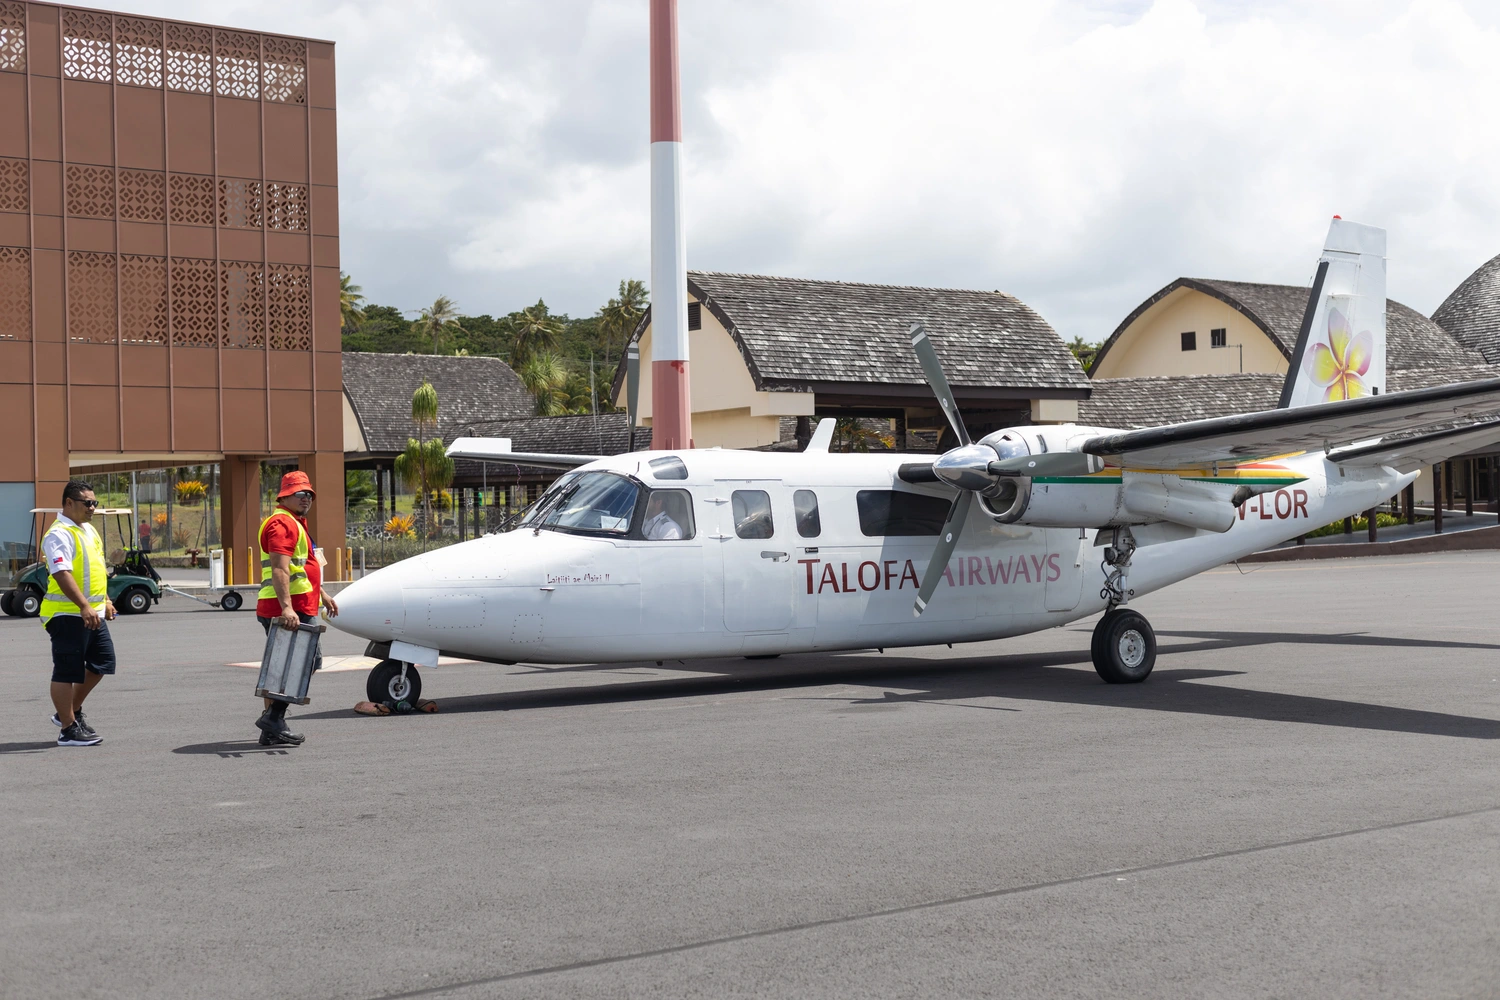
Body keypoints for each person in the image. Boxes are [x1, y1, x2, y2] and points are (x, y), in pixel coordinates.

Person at [254, 470, 338, 746]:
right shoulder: (282, 523)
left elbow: (300, 567)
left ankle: (272, 726)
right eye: (300, 494)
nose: (306, 498)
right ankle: (274, 717)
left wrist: (322, 594)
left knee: (283, 666)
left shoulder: (296, 523)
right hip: (290, 608)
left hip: (301, 604)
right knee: (304, 663)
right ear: (285, 496)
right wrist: (287, 608)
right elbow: (279, 569)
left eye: (309, 494)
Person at [41, 481, 118, 747]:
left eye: (95, 503)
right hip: (66, 613)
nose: (93, 507)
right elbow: (61, 573)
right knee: (66, 670)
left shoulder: (88, 531)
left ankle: (69, 712)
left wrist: (105, 600)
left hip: (91, 612)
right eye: (88, 503)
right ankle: (67, 729)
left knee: (102, 663)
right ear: (69, 503)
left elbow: (97, 569)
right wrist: (84, 605)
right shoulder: (58, 533)